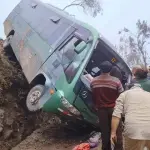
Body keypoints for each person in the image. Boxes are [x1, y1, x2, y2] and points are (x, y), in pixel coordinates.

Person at [91, 61, 124, 150]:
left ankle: (106, 148)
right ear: (111, 69)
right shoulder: (116, 81)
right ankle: (118, 148)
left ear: (101, 69)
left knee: (105, 132)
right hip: (114, 109)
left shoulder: (93, 81)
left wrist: (96, 105)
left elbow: (93, 95)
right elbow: (121, 95)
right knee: (117, 131)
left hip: (101, 110)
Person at [111, 83, 150, 150]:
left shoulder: (124, 94)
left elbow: (116, 115)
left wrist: (113, 133)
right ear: (141, 89)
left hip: (132, 129)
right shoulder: (148, 94)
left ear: (128, 88)